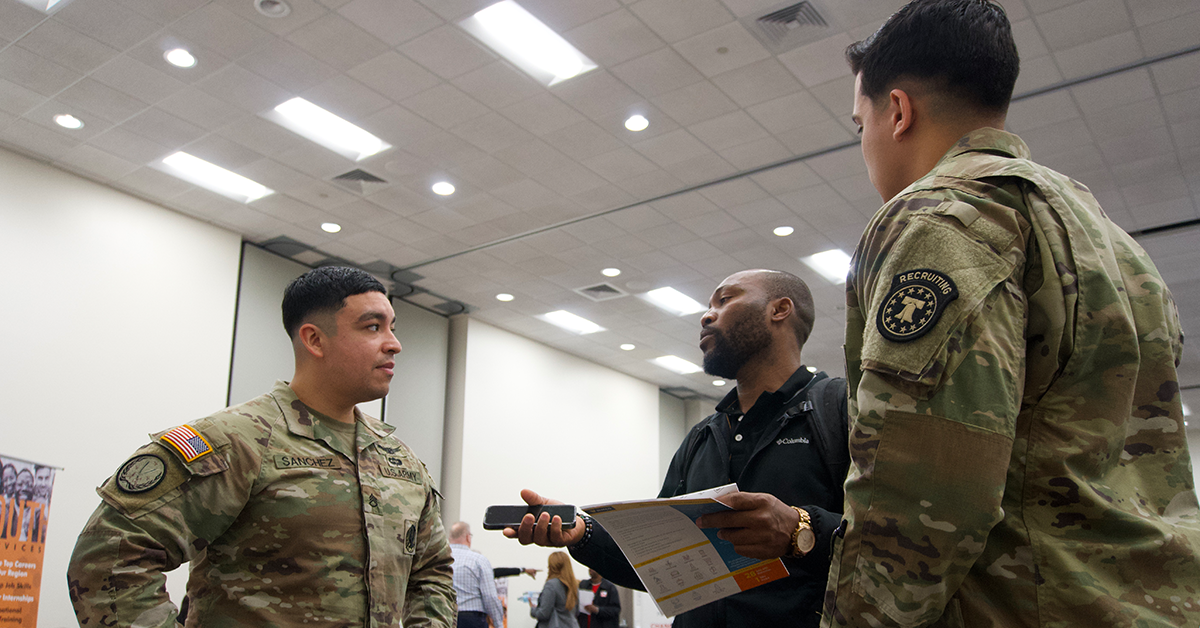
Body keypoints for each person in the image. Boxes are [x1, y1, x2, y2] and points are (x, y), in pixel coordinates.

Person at [823, 1, 1200, 625]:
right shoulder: (1109, 238)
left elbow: (925, 490)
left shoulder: (940, 219)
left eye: (858, 123)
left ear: (897, 111)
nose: (863, 144)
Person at [67, 266, 456, 626]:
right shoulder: (236, 441)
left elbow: (431, 574)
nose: (394, 344)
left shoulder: (399, 461)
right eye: (373, 327)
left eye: (392, 327)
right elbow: (108, 557)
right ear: (314, 340)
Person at [507, 269, 850, 628]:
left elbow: (899, 545)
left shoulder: (839, 410)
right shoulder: (703, 436)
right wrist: (581, 533)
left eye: (726, 299)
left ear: (779, 310)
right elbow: (659, 562)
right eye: (708, 305)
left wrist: (801, 530)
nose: (706, 315)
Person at [448, 521, 505, 628]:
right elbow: (490, 597)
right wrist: (498, 623)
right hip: (471, 619)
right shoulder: (478, 560)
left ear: (450, 538)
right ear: (468, 537)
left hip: (443, 616)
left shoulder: (439, 559)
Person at [529, 551, 579, 628]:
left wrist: (533, 609)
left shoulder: (551, 585)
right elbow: (577, 611)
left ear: (552, 566)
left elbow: (544, 614)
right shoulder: (574, 585)